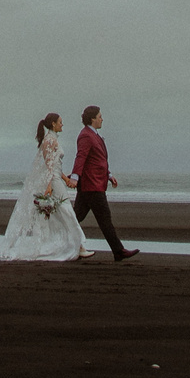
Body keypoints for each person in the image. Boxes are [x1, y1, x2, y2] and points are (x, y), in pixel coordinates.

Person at [0, 111, 87, 262]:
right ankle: (79, 246)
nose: (62, 124)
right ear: (53, 124)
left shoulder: (53, 139)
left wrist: (66, 179)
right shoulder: (49, 141)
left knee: (63, 212)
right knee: (66, 211)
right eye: (60, 122)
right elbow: (49, 167)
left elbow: (56, 166)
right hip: (53, 181)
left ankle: (74, 245)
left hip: (56, 179)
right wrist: (50, 185)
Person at [69, 105, 138, 261]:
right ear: (93, 119)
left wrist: (109, 175)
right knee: (104, 218)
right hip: (91, 186)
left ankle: (57, 241)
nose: (102, 119)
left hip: (93, 185)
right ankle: (118, 251)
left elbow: (98, 161)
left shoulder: (94, 135)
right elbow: (81, 157)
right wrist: (75, 176)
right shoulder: (86, 135)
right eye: (100, 116)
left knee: (74, 218)